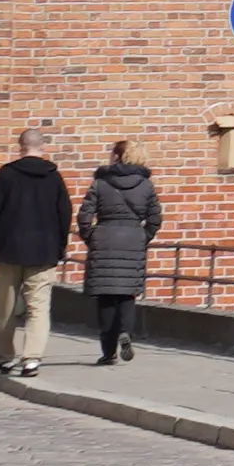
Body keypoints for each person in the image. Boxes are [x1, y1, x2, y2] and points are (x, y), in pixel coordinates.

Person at [0, 133, 75, 378]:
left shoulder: (6, 176)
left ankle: (5, 357)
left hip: (8, 249)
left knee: (5, 308)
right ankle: (31, 359)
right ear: (43, 147)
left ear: (20, 147)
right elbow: (65, 214)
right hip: (43, 251)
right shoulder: (54, 178)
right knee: (38, 307)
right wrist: (60, 246)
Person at [74, 142, 166, 365]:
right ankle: (125, 332)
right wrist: (143, 236)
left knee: (106, 298)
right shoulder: (146, 186)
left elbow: (84, 216)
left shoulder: (100, 183)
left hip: (104, 238)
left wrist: (92, 237)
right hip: (133, 240)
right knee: (126, 295)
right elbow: (155, 218)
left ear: (117, 156)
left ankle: (108, 353)